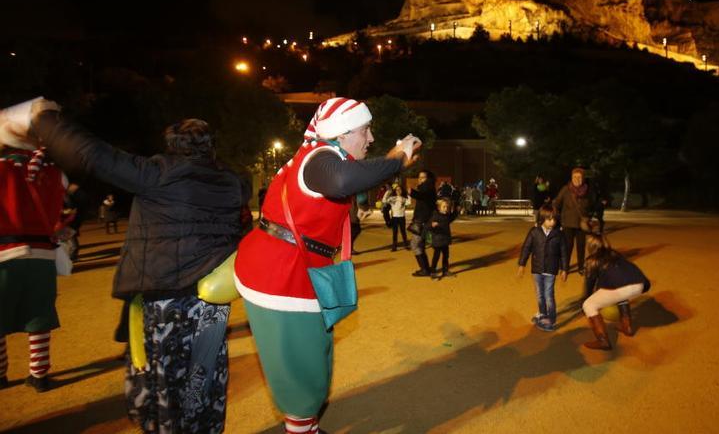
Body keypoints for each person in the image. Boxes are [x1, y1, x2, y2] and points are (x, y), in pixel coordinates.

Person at [29, 99, 251, 431]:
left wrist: (45, 119)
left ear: (172, 147)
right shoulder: (233, 182)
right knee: (205, 376)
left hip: (165, 301)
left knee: (165, 382)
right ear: (210, 147)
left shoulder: (155, 173)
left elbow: (89, 152)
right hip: (211, 301)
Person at [234, 97, 421, 434]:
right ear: (341, 134)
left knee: (311, 354)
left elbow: (350, 179)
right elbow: (341, 182)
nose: (371, 138)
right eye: (365, 130)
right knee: (300, 363)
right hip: (281, 274)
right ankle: (301, 428)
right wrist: (396, 160)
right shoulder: (320, 158)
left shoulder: (322, 156)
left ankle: (305, 424)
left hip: (291, 265)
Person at [0, 111, 66, 393]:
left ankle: (0, 375)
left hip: (4, 253)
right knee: (38, 316)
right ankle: (39, 375)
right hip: (42, 254)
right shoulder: (50, 171)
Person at [581, 233, 651, 350]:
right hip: (640, 284)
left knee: (588, 305)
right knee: (620, 294)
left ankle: (603, 341)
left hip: (622, 287)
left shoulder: (591, 260)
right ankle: (626, 327)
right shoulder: (615, 254)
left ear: (590, 246)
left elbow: (590, 284)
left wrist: (584, 301)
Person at [517, 206, 568, 331]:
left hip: (551, 269)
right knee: (540, 294)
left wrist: (564, 269)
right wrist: (522, 264)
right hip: (537, 269)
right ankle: (542, 314)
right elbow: (526, 248)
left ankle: (551, 319)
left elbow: (564, 252)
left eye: (554, 219)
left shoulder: (559, 234)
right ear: (542, 219)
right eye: (549, 219)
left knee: (549, 295)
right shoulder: (534, 232)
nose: (553, 222)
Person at [553, 167, 592, 275]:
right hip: (568, 223)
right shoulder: (566, 189)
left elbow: (592, 205)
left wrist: (589, 216)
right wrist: (559, 218)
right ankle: (565, 267)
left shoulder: (588, 190)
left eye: (579, 177)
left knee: (581, 246)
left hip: (581, 224)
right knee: (567, 247)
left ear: (583, 178)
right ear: (571, 177)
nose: (577, 179)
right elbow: (557, 203)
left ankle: (581, 267)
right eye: (574, 177)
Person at [410, 169, 437, 277]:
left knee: (415, 244)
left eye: (423, 177)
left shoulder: (427, 188)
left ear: (428, 179)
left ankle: (425, 269)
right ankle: (426, 268)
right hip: (422, 220)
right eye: (419, 177)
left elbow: (423, 196)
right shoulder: (427, 188)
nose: (420, 179)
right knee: (419, 244)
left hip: (422, 221)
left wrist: (412, 192)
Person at [428, 198, 458, 279]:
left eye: (447, 207)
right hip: (437, 240)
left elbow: (453, 216)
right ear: (439, 208)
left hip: (445, 240)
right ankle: (433, 271)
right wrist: (432, 225)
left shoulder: (447, 216)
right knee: (436, 256)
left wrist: (455, 209)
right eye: (444, 207)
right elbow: (429, 227)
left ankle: (445, 271)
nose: (446, 209)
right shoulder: (435, 215)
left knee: (446, 256)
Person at [385, 185, 410, 251]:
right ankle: (394, 246)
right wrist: (388, 192)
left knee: (403, 232)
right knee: (395, 232)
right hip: (394, 218)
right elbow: (384, 200)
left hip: (402, 217)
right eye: (397, 190)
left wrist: (408, 194)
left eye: (400, 189)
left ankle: (406, 245)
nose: (398, 191)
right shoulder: (392, 198)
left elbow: (409, 203)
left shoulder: (404, 198)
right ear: (395, 191)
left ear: (402, 191)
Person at [587, 167, 611, 234]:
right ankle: (590, 229)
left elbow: (604, 190)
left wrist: (604, 199)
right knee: (589, 216)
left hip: (599, 200)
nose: (593, 171)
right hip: (592, 200)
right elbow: (590, 190)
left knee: (599, 216)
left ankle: (600, 229)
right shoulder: (591, 179)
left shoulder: (601, 180)